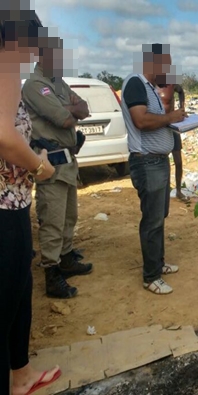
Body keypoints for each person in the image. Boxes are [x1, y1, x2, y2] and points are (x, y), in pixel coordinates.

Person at [0, 10, 61, 395]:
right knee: (7, 299)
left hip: (14, 201)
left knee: (20, 290)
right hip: (5, 207)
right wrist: (39, 166)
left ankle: (21, 376)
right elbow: (5, 138)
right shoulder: (6, 65)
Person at [22, 40, 94, 299]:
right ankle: (52, 274)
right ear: (42, 56)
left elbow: (84, 109)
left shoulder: (58, 83)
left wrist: (69, 109)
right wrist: (69, 110)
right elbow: (64, 119)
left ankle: (66, 258)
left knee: (68, 216)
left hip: (68, 162)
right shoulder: (35, 85)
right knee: (51, 220)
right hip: (50, 162)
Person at [121, 43, 187, 295]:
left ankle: (158, 264)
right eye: (166, 64)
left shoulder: (150, 88)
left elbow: (157, 121)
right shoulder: (135, 83)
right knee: (151, 220)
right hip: (147, 162)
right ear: (154, 62)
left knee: (159, 217)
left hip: (157, 161)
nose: (168, 70)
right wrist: (170, 118)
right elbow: (141, 121)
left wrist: (177, 119)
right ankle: (151, 276)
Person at [156, 82, 188, 202]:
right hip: (160, 126)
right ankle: (165, 188)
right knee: (163, 160)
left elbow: (180, 91)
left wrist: (182, 106)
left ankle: (178, 190)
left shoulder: (171, 84)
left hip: (173, 125)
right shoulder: (152, 87)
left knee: (178, 161)